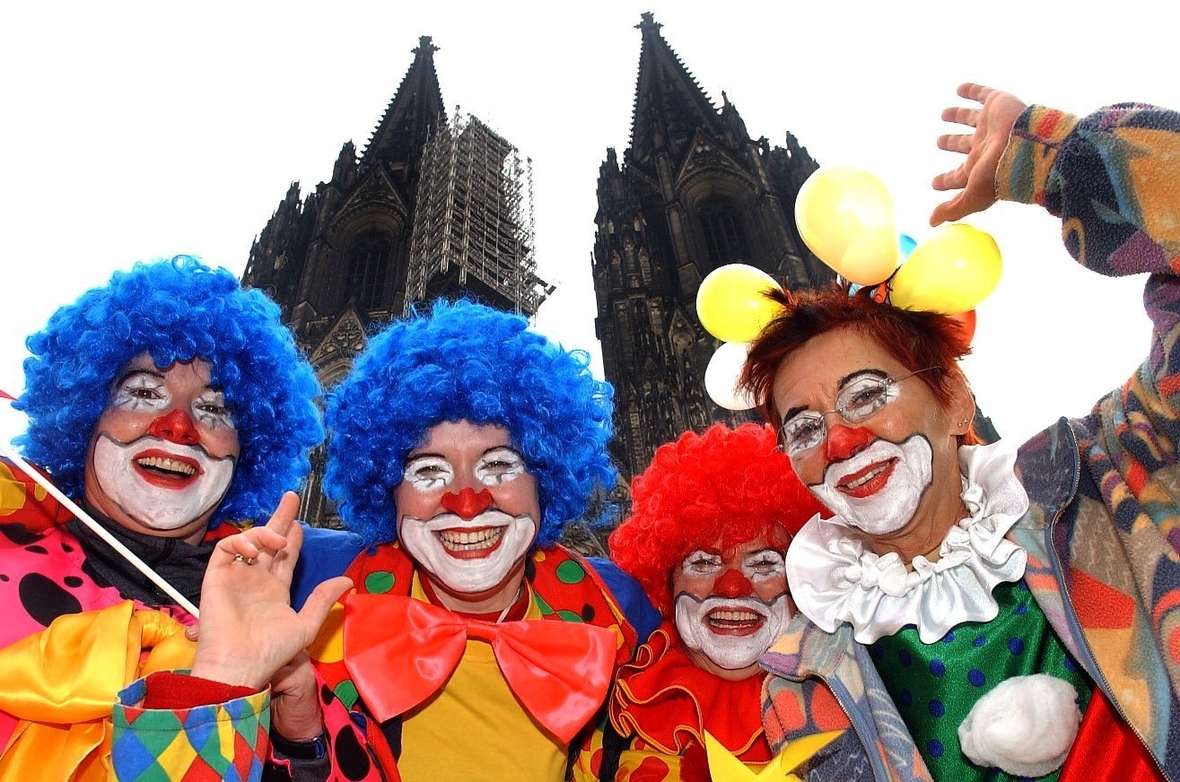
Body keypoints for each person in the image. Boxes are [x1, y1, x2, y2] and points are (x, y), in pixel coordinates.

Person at [743, 83, 1175, 781]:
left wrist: (1056, 156)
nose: (841, 443)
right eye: (803, 427)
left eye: (866, 394)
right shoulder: (800, 683)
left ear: (952, 399)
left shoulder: (1109, 487)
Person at [142, 298, 647, 782]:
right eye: (428, 471)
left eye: (498, 465)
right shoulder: (309, 585)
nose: (466, 501)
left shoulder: (622, 613)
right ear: (388, 488)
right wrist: (222, 684)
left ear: (546, 479)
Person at [0, 256, 326, 780]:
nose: (178, 427)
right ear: (84, 417)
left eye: (214, 409)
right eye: (144, 393)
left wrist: (301, 738)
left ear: (249, 447)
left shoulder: (280, 616)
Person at [593, 422, 864, 781]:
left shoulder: (860, 693)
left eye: (764, 563)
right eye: (704, 563)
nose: (733, 587)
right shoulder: (611, 707)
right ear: (666, 580)